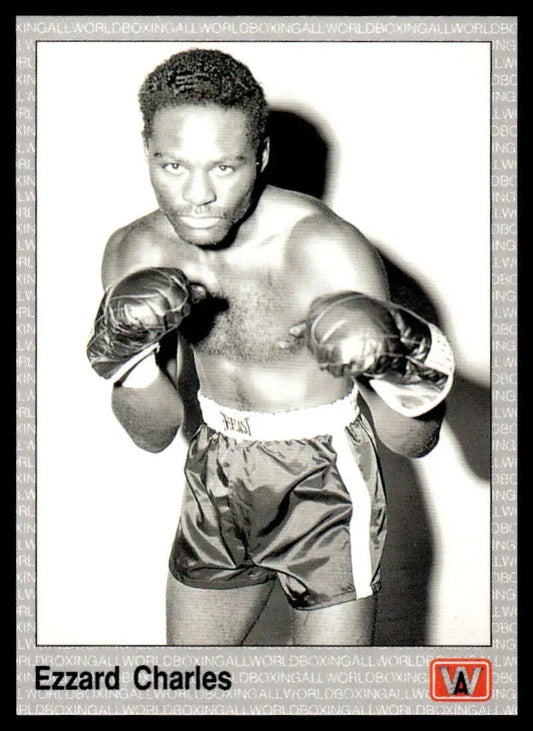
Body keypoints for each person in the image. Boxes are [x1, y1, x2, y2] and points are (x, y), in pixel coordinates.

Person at [87, 48, 455, 646]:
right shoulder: (136, 252)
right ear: (147, 152)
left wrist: (403, 369)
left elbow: (413, 440)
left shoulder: (326, 250)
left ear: (260, 157)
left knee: (323, 700)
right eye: (173, 166)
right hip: (215, 471)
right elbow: (152, 434)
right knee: (190, 687)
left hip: (325, 480)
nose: (197, 195)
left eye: (224, 167)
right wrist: (127, 364)